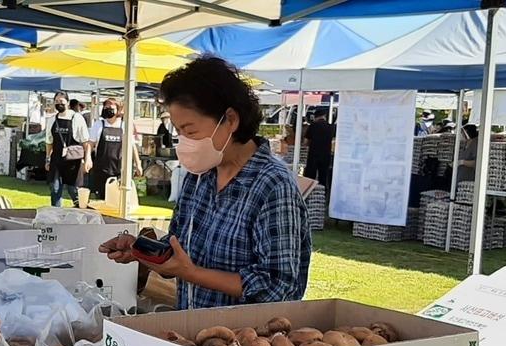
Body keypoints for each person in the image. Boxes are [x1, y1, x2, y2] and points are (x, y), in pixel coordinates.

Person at [99, 56, 310, 310]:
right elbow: (180, 252)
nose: (184, 142)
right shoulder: (199, 176)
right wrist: (141, 252)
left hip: (242, 342)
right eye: (178, 131)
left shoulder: (272, 186)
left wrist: (192, 273)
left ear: (230, 120)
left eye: (190, 131)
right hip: (190, 332)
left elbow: (279, 288)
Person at [86, 96, 142, 203]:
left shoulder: (124, 126)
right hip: (101, 169)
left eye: (110, 107)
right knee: (102, 200)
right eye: (106, 107)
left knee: (118, 200)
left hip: (119, 170)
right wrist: (88, 158)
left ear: (118, 110)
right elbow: (90, 143)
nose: (108, 109)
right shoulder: (99, 124)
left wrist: (138, 164)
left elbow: (132, 146)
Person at [44, 91, 88, 207]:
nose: (59, 104)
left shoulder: (77, 118)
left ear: (67, 103)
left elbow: (85, 141)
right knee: (55, 188)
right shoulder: (51, 120)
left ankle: (81, 211)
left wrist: (87, 159)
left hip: (73, 161)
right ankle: (56, 214)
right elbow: (49, 142)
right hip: (56, 160)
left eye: (62, 102)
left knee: (73, 190)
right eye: (57, 102)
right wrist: (47, 159)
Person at [302, 108, 335, 190]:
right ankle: (323, 196)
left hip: (313, 155)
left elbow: (305, 142)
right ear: (324, 116)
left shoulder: (312, 126)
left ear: (316, 117)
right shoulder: (331, 127)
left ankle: (309, 194)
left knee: (310, 178)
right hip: (326, 155)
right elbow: (333, 141)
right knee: (323, 178)